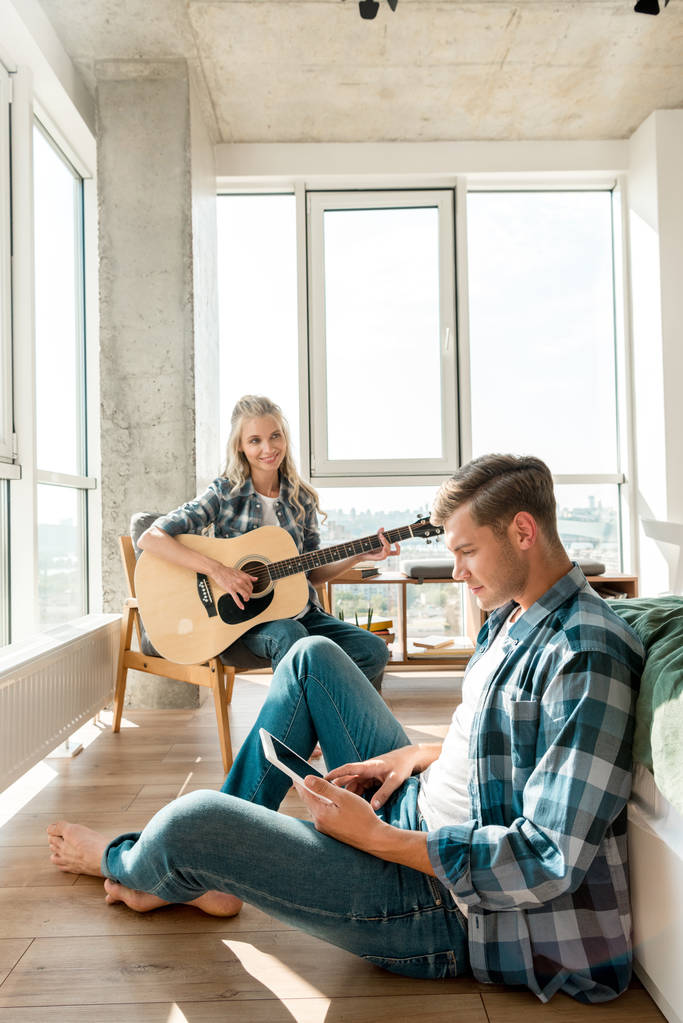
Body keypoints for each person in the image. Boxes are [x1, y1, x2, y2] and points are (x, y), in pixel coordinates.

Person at [48, 454, 645, 1004]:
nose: (457, 572)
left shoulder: (586, 654)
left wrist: (376, 839)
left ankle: (123, 861)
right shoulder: (516, 614)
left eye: (467, 552)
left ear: (522, 531)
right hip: (416, 809)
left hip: (450, 906)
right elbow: (508, 743)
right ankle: (211, 876)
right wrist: (415, 754)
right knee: (311, 656)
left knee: (191, 820)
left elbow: (548, 860)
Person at [137, 394, 395, 689]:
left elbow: (311, 573)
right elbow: (151, 537)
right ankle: (293, 732)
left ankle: (343, 728)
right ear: (240, 447)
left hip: (302, 615)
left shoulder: (302, 498)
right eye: (255, 440)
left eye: (275, 436)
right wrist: (218, 570)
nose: (268, 448)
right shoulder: (224, 493)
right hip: (240, 625)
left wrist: (358, 556)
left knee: (372, 650)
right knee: (291, 636)